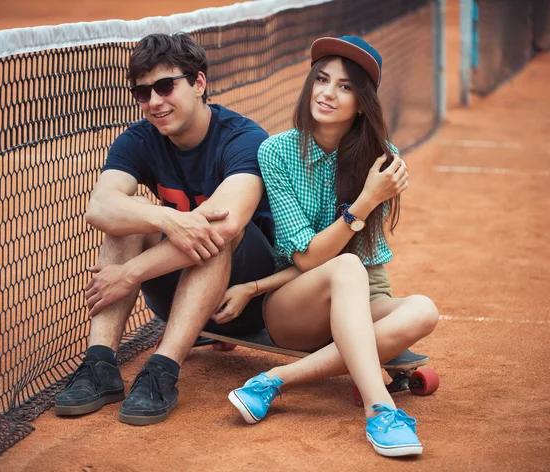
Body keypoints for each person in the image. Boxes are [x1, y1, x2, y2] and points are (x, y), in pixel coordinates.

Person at [214, 36, 439, 457]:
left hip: (363, 288)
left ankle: (273, 381)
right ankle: (380, 409)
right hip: (296, 301)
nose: (327, 93)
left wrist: (373, 192)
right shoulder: (277, 152)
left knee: (424, 310)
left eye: (344, 86)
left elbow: (360, 262)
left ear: (362, 101)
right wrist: (366, 201)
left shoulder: (382, 157)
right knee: (346, 266)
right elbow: (310, 258)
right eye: (321, 80)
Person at [54, 33, 275, 426]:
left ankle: (162, 371)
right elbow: (99, 208)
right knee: (130, 212)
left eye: (165, 86)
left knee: (220, 230)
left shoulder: (244, 138)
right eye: (142, 92)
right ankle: (100, 364)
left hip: (246, 298)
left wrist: (129, 274)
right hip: (177, 297)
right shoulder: (139, 139)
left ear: (199, 83)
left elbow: (224, 227)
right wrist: (164, 217)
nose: (154, 102)